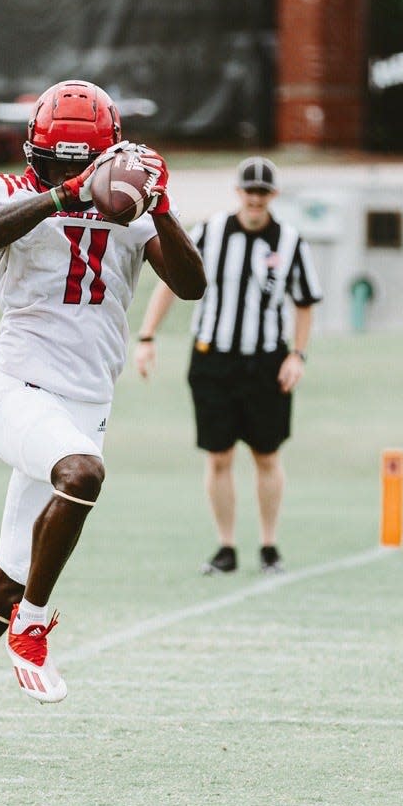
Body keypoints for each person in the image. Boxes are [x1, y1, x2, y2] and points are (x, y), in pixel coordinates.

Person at [0, 79, 206, 753]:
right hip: (18, 391)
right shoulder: (8, 190)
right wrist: (61, 194)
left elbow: (192, 284)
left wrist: (160, 206)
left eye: (83, 163)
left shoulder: (129, 208)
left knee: (2, 593)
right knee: (81, 476)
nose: (72, 173)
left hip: (86, 402)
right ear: (37, 155)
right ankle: (38, 621)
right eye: (58, 162)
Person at [135, 156, 322, 576]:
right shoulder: (210, 232)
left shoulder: (290, 242)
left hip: (266, 360)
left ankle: (269, 546)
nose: (255, 199)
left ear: (272, 195)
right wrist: (147, 337)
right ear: (238, 193)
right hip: (213, 358)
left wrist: (298, 354)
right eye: (248, 190)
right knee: (218, 456)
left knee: (267, 454)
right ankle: (226, 546)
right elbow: (173, 281)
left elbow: (305, 302)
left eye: (263, 191)